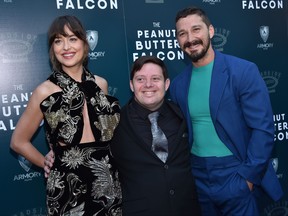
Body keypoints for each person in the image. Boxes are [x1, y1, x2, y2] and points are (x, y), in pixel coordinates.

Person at [44, 56, 201, 216]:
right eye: (140, 79)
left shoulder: (182, 114)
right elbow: (89, 148)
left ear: (166, 84)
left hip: (187, 209)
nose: (148, 85)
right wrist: (56, 154)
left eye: (155, 79)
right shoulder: (114, 122)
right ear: (132, 85)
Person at [169, 6, 283, 216]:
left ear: (210, 31)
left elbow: (263, 129)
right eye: (182, 33)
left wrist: (247, 179)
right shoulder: (177, 85)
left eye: (196, 29)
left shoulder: (243, 71)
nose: (190, 38)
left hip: (236, 173)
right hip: (198, 178)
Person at [10, 15, 122, 216]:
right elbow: (18, 141)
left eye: (72, 39)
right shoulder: (44, 91)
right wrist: (44, 162)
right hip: (67, 189)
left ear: (84, 44)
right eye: (58, 41)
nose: (66, 47)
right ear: (53, 48)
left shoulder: (101, 84)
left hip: (106, 184)